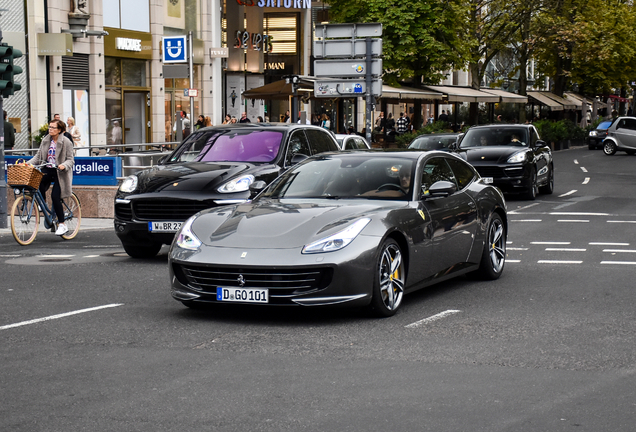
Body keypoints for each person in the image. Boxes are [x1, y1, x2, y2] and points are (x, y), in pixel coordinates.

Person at [27, 119, 74, 236]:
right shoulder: (45, 140)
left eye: (53, 127)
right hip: (48, 169)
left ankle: (62, 224)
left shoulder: (66, 142)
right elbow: (38, 157)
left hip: (60, 172)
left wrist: (64, 165)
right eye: (49, 127)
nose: (50, 129)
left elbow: (71, 160)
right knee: (37, 181)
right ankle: (44, 205)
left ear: (60, 130)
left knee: (55, 196)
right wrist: (28, 164)